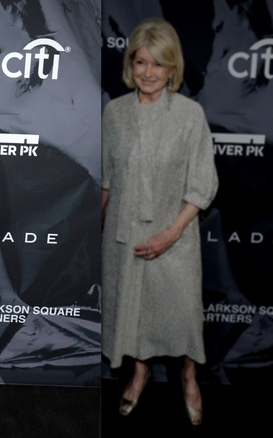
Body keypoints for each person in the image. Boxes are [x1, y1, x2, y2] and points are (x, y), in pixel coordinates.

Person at [100, 17, 218, 427]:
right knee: (131, 313)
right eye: (141, 62)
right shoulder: (114, 113)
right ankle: (139, 372)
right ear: (130, 64)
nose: (148, 73)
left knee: (181, 315)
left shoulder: (189, 115)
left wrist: (171, 233)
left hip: (176, 236)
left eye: (158, 64)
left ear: (173, 69)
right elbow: (107, 182)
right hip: (125, 236)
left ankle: (188, 375)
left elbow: (203, 184)